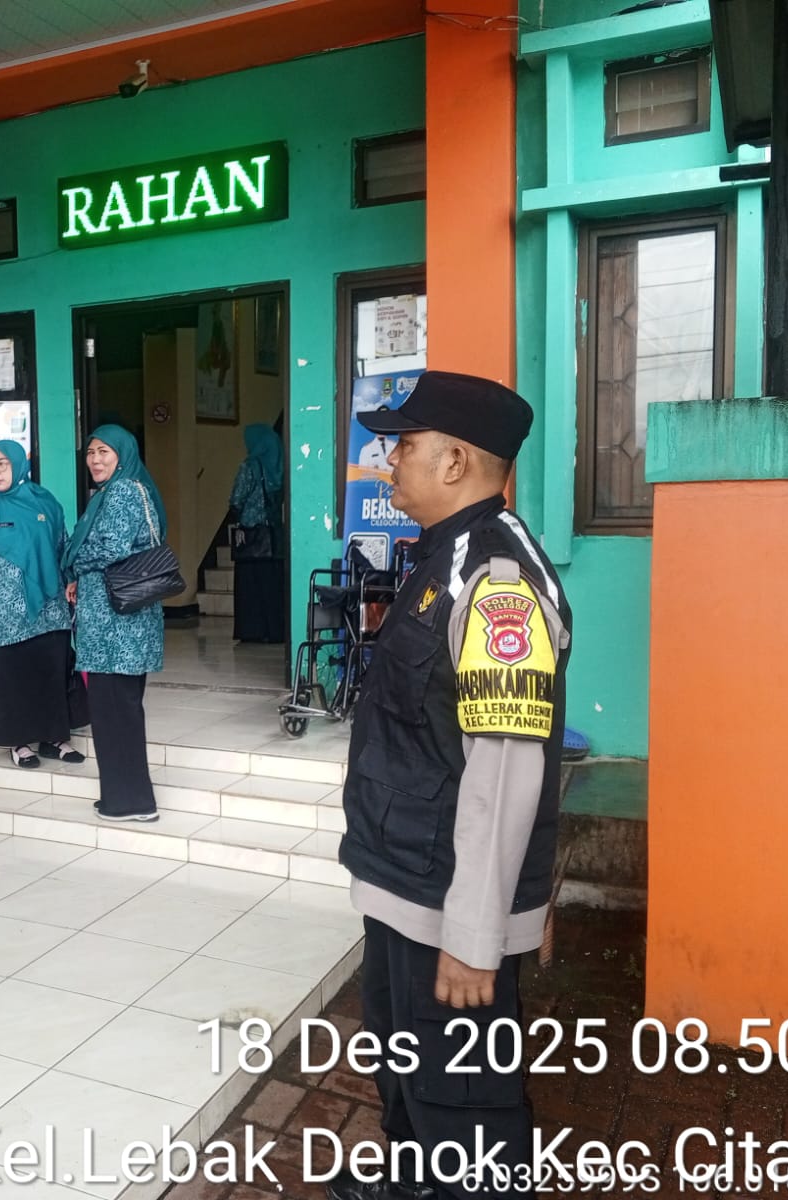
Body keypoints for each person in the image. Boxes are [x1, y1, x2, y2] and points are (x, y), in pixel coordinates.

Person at [327, 372, 572, 1200]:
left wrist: (475, 932)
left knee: (464, 1097)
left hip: (448, 904)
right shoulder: (444, 557)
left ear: (457, 461)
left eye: (404, 445)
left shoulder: (497, 582)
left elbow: (505, 771)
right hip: (407, 881)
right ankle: (413, 1178)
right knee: (404, 1060)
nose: (388, 462)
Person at [0, 441, 85, 769]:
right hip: (6, 610)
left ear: (18, 464)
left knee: (50, 669)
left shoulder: (44, 501)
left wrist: (73, 580)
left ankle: (54, 737)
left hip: (50, 606)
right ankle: (19, 741)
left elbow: (62, 546)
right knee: (14, 674)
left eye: (3, 463)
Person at [62, 425, 165, 822]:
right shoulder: (123, 490)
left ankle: (131, 802)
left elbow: (112, 549)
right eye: (91, 452)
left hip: (116, 630)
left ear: (122, 455)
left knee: (114, 713)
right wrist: (80, 575)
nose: (95, 460)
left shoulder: (122, 491)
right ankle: (127, 796)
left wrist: (75, 560)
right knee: (119, 711)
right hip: (120, 625)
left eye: (104, 451)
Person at [229, 423, 286, 644]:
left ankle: (253, 631)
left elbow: (237, 498)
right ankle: (274, 630)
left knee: (250, 586)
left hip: (252, 536)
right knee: (272, 585)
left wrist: (236, 517)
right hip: (274, 535)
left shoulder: (250, 466)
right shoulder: (279, 467)